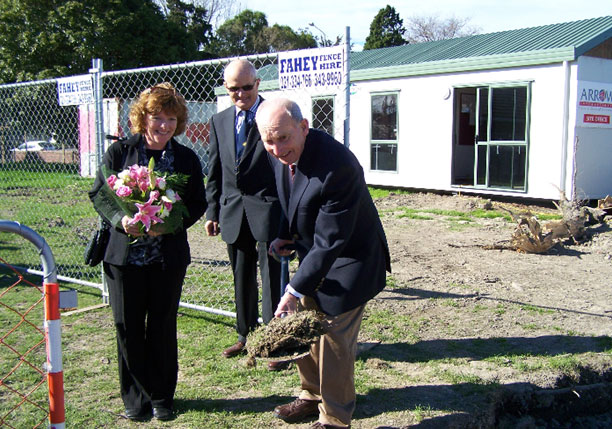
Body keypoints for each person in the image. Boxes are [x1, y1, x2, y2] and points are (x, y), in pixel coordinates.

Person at [256, 98, 391, 429]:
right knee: (304, 325)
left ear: (303, 127)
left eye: (283, 138)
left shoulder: (338, 165)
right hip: (315, 254)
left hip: (350, 260)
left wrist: (293, 288)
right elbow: (291, 199)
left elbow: (331, 240)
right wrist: (284, 235)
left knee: (332, 338)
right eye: (268, 140)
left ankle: (335, 417)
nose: (275, 148)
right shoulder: (280, 151)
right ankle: (311, 394)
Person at [88, 83, 207, 422]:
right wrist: (121, 218)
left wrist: (167, 225)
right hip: (124, 259)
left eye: (171, 119)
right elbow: (100, 193)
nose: (164, 125)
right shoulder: (120, 153)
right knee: (127, 327)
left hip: (166, 260)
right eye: (157, 117)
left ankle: (162, 397)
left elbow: (197, 203)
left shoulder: (185, 158)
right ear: (143, 118)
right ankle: (135, 398)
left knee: (162, 327)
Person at [204, 59, 284, 370]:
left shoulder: (273, 115)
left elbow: (285, 168)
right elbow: (214, 170)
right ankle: (246, 334)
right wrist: (213, 211)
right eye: (234, 89)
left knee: (272, 280)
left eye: (247, 87)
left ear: (258, 84)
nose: (241, 94)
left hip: (268, 211)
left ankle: (275, 341)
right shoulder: (219, 121)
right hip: (233, 212)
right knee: (241, 278)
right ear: (227, 88)